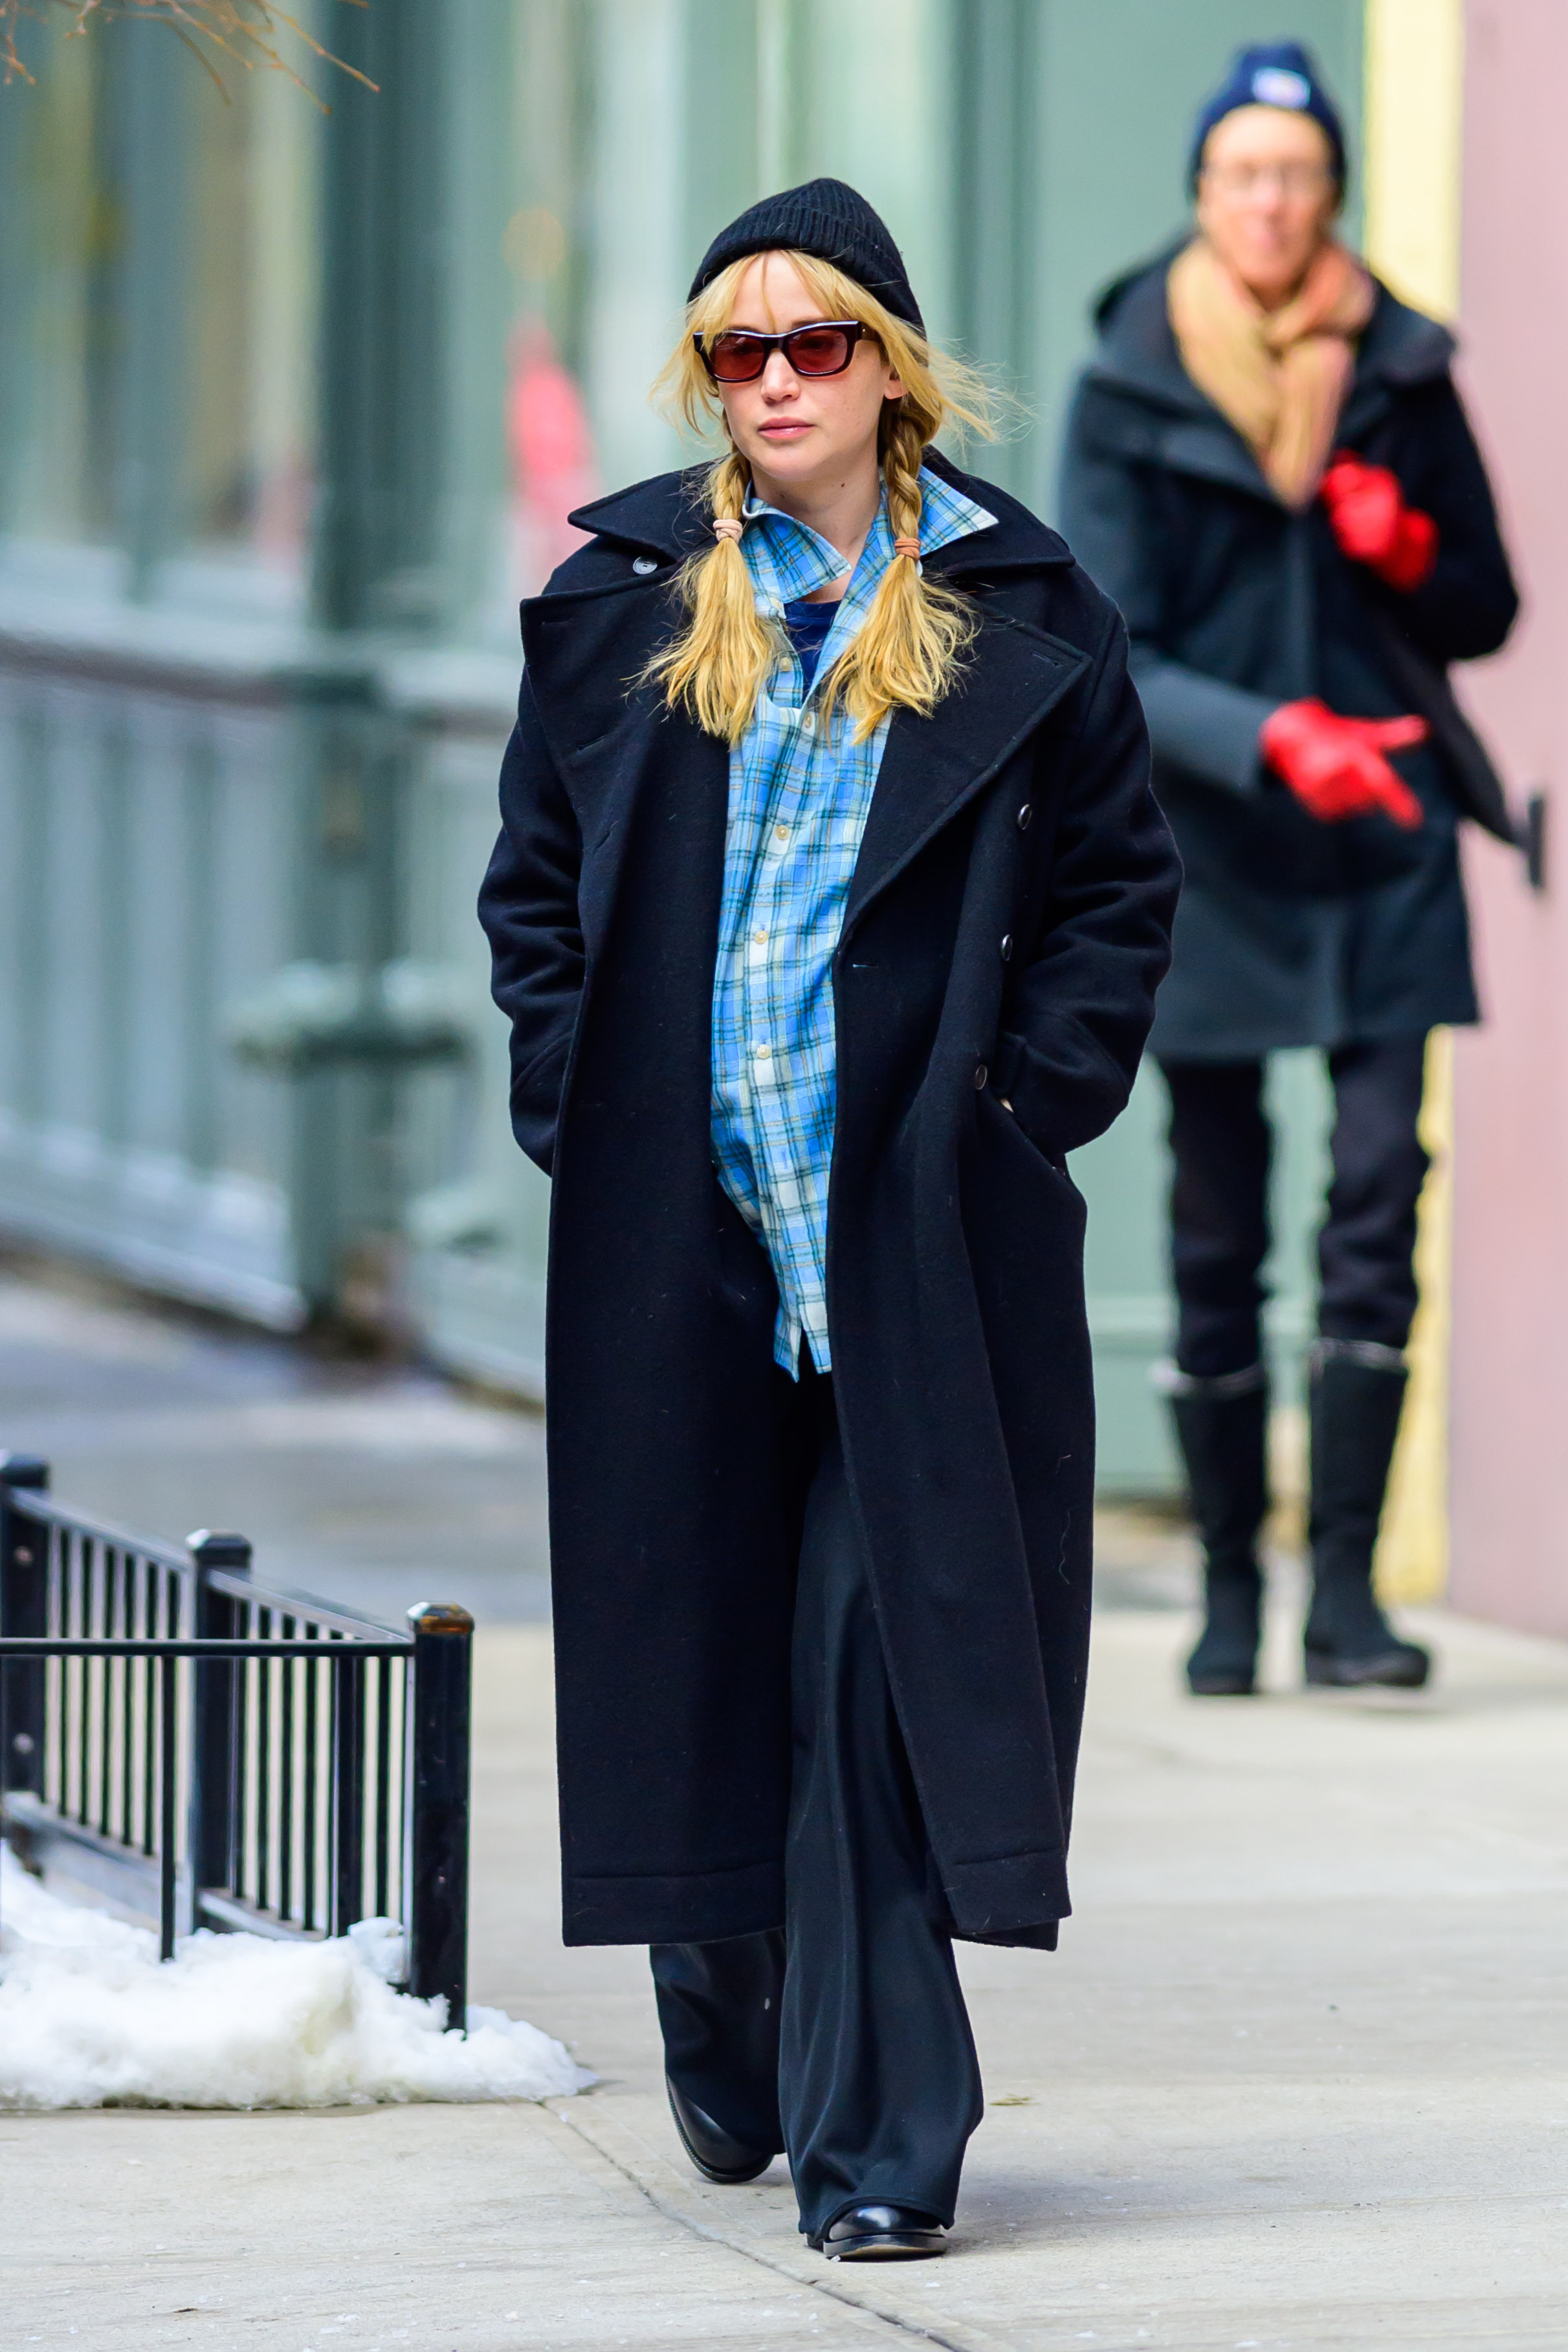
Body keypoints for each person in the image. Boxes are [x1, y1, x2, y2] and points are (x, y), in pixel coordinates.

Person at [480, 178, 1178, 2258]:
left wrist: (1016, 1106)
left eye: (816, 345)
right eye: (737, 352)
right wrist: (568, 1104)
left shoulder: (1021, 608)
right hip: (677, 1233)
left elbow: (1117, 899)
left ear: (892, 365)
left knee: (872, 1670)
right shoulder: (625, 600)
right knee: (700, 1654)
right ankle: (730, 2003)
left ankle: (883, 2150)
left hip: (914, 1243)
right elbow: (533, 896)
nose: (776, 381)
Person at [1060, 43, 1519, 1700]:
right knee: (1214, 1215)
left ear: (1332, 195)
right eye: (1245, 175)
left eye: (1300, 177)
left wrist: (1413, 549)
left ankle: (1344, 1597)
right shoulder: (1128, 378)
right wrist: (1271, 739)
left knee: (1382, 1193)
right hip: (1220, 846)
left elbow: (1487, 608)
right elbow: (1107, 644)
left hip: (1386, 834)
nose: (1272, 204)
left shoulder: (1399, 364)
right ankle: (1230, 1599)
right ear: (1203, 193)